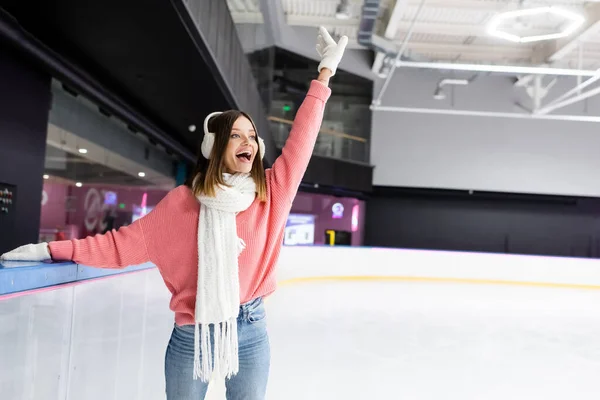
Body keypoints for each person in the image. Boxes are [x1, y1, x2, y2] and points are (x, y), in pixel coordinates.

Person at [1, 26, 347, 400]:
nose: (247, 141)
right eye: (235, 135)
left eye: (251, 135)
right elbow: (117, 247)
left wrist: (324, 74)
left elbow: (302, 141)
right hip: (191, 331)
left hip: (249, 327)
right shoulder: (183, 203)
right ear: (215, 147)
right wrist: (49, 250)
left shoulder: (270, 190)